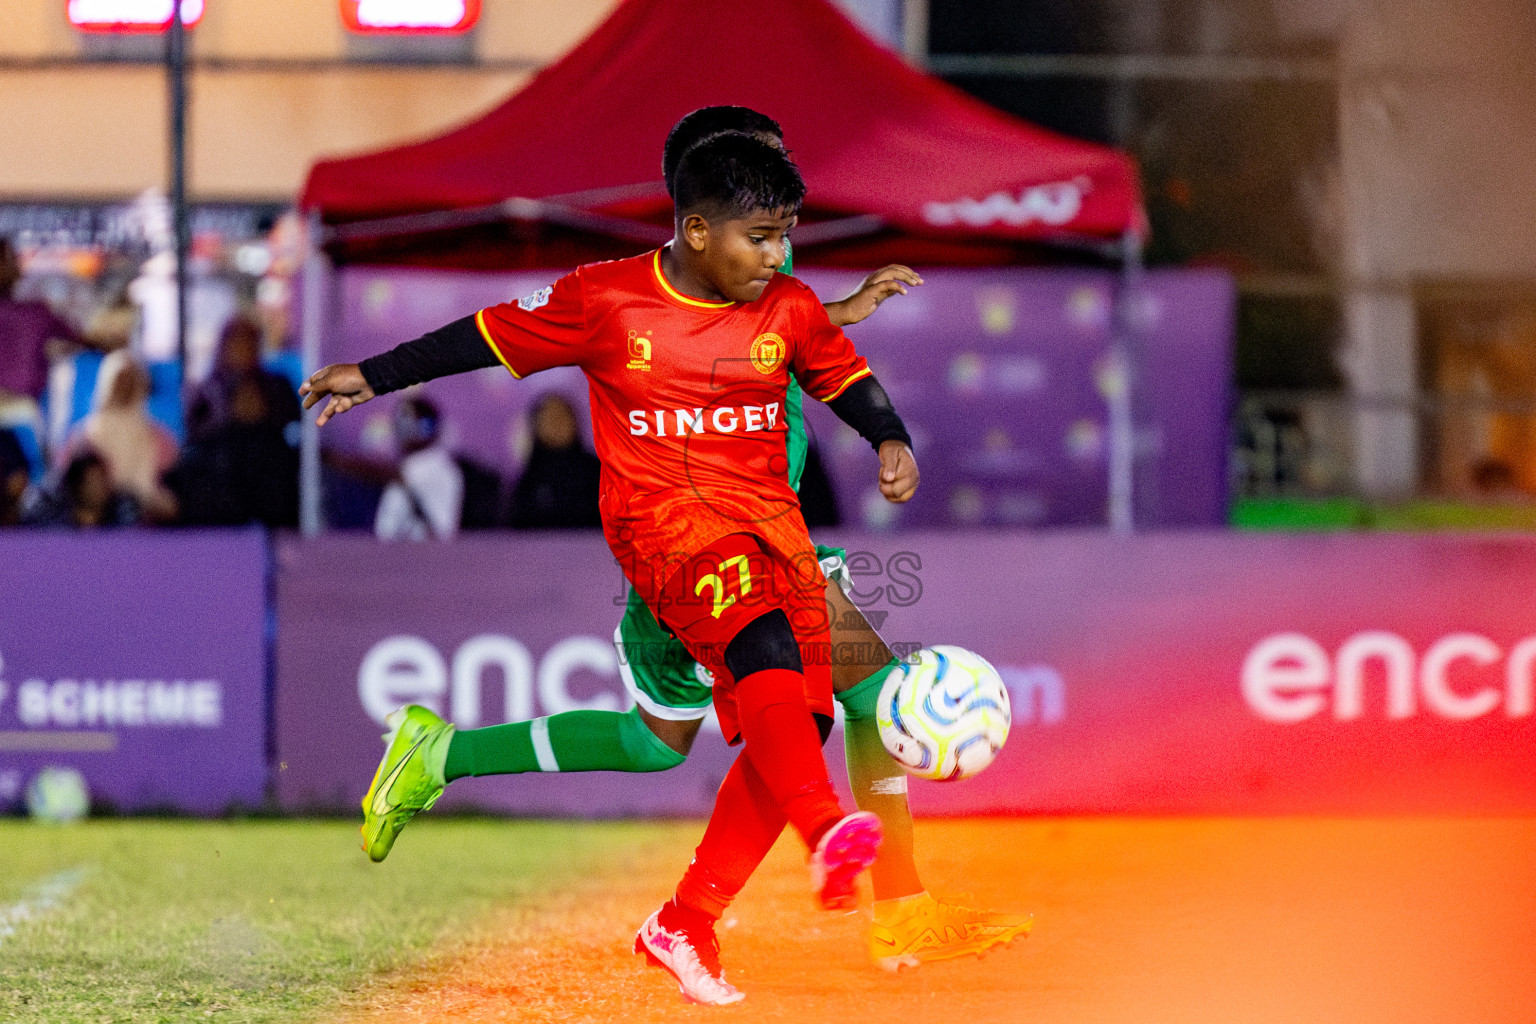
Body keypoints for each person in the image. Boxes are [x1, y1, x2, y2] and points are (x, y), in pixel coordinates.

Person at [321, 108, 1028, 991]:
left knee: (671, 737)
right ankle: (862, 878)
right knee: (855, 689)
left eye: (785, 225)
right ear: (700, 215)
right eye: (765, 218)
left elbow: (806, 341)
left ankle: (453, 763)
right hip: (674, 538)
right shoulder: (619, 297)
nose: (780, 245)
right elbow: (491, 333)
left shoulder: (776, 283)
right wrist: (374, 374)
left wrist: (881, 420)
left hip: (768, 527)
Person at [62, 352, 178, 522]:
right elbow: (69, 484)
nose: (124, 386)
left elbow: (172, 486)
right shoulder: (84, 437)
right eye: (119, 380)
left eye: (130, 380)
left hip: (146, 527)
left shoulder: (159, 439)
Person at [507, 392, 601, 529]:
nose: (556, 423)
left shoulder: (597, 473)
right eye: (549, 418)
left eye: (562, 416)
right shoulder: (529, 479)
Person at [374, 397, 463, 540]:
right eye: (399, 423)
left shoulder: (436, 466)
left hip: (424, 554)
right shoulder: (407, 465)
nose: (401, 431)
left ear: (427, 428)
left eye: (407, 424)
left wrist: (336, 460)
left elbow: (381, 473)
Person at [23, 450, 139, 529]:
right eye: (92, 482)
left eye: (102, 481)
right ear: (76, 486)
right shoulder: (52, 525)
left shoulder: (122, 517)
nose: (99, 488)